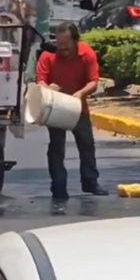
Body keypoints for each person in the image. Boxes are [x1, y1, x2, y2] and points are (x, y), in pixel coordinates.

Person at [36, 22, 109, 202]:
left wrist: (81, 93)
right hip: (55, 107)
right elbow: (40, 81)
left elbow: (93, 81)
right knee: (56, 148)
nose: (63, 50)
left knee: (87, 145)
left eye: (67, 47)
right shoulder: (48, 55)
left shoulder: (87, 54)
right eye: (60, 46)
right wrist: (47, 89)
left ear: (76, 41)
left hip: (78, 106)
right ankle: (59, 186)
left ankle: (90, 182)